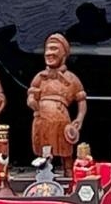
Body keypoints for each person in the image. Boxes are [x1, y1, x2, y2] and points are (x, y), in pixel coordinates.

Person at [27, 33, 87, 174]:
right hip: (42, 120)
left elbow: (81, 101)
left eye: (54, 49)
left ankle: (68, 172)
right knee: (44, 149)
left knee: (65, 150)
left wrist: (79, 119)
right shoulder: (40, 77)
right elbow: (31, 95)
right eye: (48, 49)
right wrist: (32, 102)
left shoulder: (72, 79)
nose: (49, 53)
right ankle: (44, 175)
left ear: (64, 54)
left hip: (61, 120)